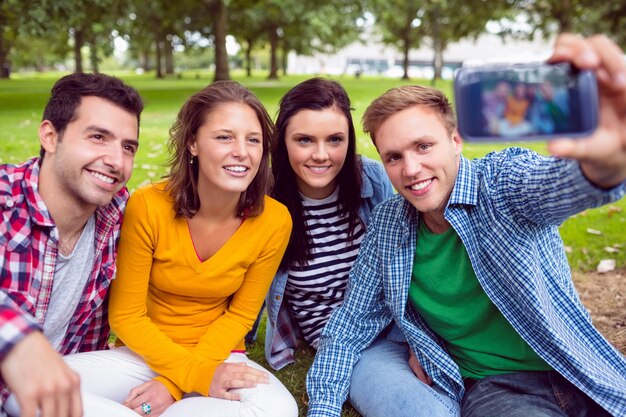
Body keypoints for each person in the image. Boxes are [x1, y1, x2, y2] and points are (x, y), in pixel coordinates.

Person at [306, 33, 626, 417]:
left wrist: (606, 163)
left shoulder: (502, 182)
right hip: (500, 391)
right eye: (394, 157)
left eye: (423, 146)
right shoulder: (389, 227)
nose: (410, 169)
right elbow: (347, 328)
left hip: (577, 368)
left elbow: (559, 187)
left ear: (455, 140)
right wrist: (323, 409)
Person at [62, 81, 298, 417]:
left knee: (279, 411)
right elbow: (126, 316)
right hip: (143, 355)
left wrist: (175, 384)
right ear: (193, 144)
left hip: (218, 356)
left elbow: (241, 315)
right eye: (224, 137)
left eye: (254, 140)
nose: (242, 152)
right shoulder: (149, 205)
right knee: (27, 391)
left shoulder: (275, 220)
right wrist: (183, 374)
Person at [0, 73, 144, 417]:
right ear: (50, 136)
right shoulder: (5, 197)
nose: (116, 160)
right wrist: (19, 340)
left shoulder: (120, 216)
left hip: (68, 382)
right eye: (98, 137)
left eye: (127, 147)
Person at [263, 78, 394, 370]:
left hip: (395, 325)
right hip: (335, 341)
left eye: (335, 139)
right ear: (283, 141)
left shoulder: (374, 179)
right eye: (305, 140)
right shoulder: (264, 201)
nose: (321, 155)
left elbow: (409, 257)